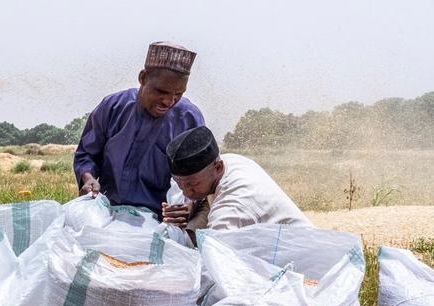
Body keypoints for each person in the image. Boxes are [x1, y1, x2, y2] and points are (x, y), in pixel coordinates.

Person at [73, 42, 205, 217]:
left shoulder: (189, 119)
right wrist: (88, 178)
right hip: (106, 212)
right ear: (143, 78)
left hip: (159, 219)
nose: (169, 101)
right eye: (161, 91)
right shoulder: (112, 107)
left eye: (178, 94)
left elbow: (200, 175)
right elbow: (87, 154)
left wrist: (188, 205)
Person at [163, 125, 310, 241]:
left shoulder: (235, 200)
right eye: (179, 183)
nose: (186, 192)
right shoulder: (227, 162)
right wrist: (189, 205)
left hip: (301, 257)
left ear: (218, 168)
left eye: (192, 184)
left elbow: (215, 254)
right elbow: (185, 189)